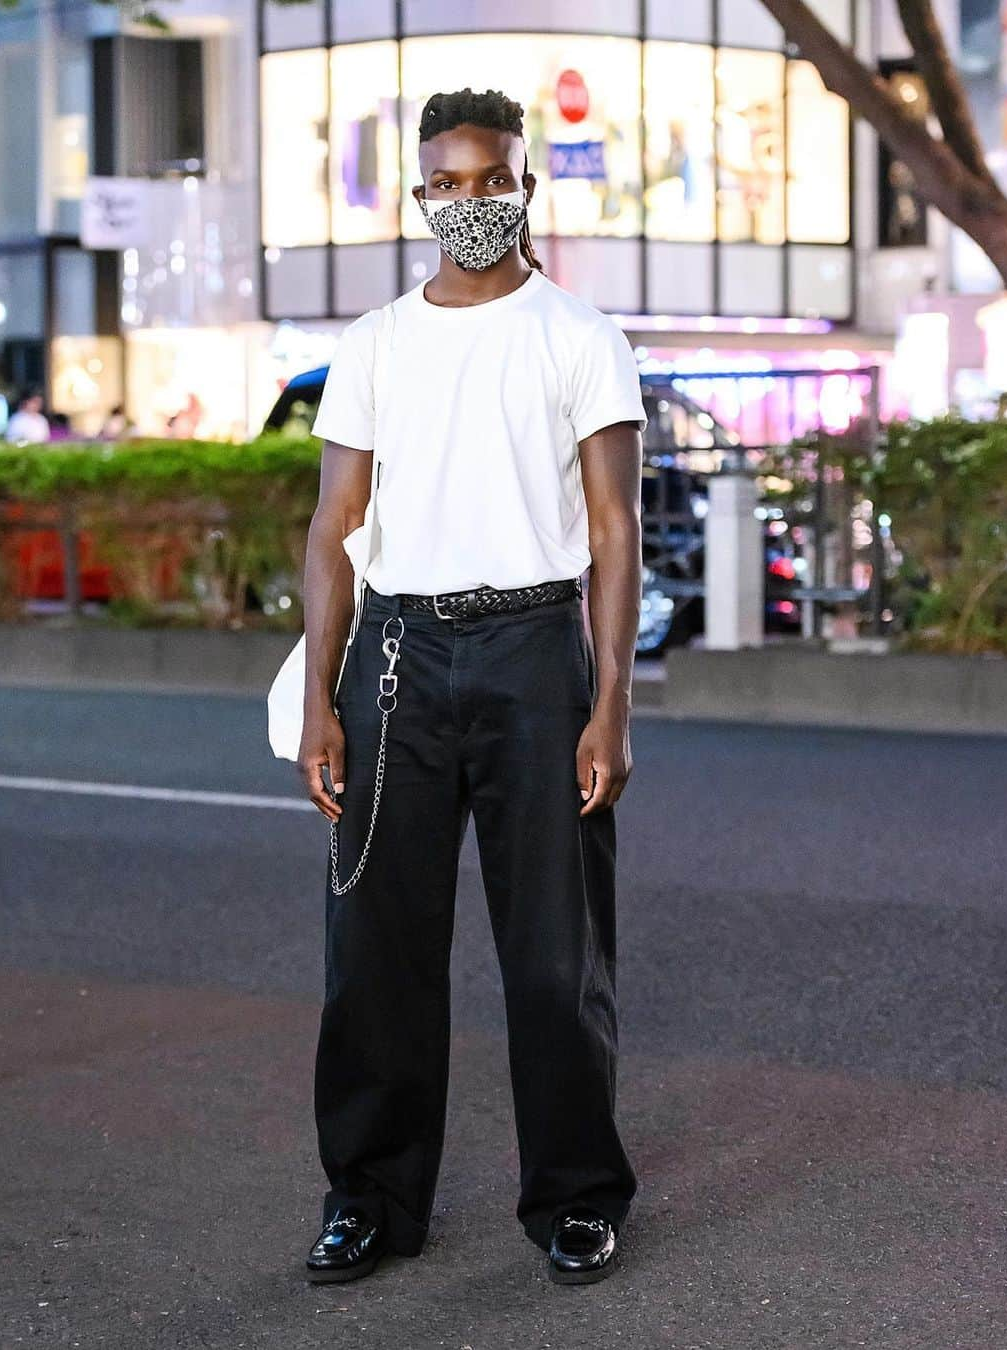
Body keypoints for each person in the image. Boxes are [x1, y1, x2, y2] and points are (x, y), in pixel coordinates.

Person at [297, 87, 647, 1287]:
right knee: (376, 952)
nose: (469, 203)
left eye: (488, 180)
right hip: (393, 658)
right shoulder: (377, 341)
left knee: (556, 954)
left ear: (523, 187)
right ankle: (371, 1198)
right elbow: (334, 522)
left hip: (536, 657)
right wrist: (316, 704)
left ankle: (577, 1197)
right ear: (419, 200)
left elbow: (614, 530)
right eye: (444, 185)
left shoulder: (578, 336)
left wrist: (613, 701)